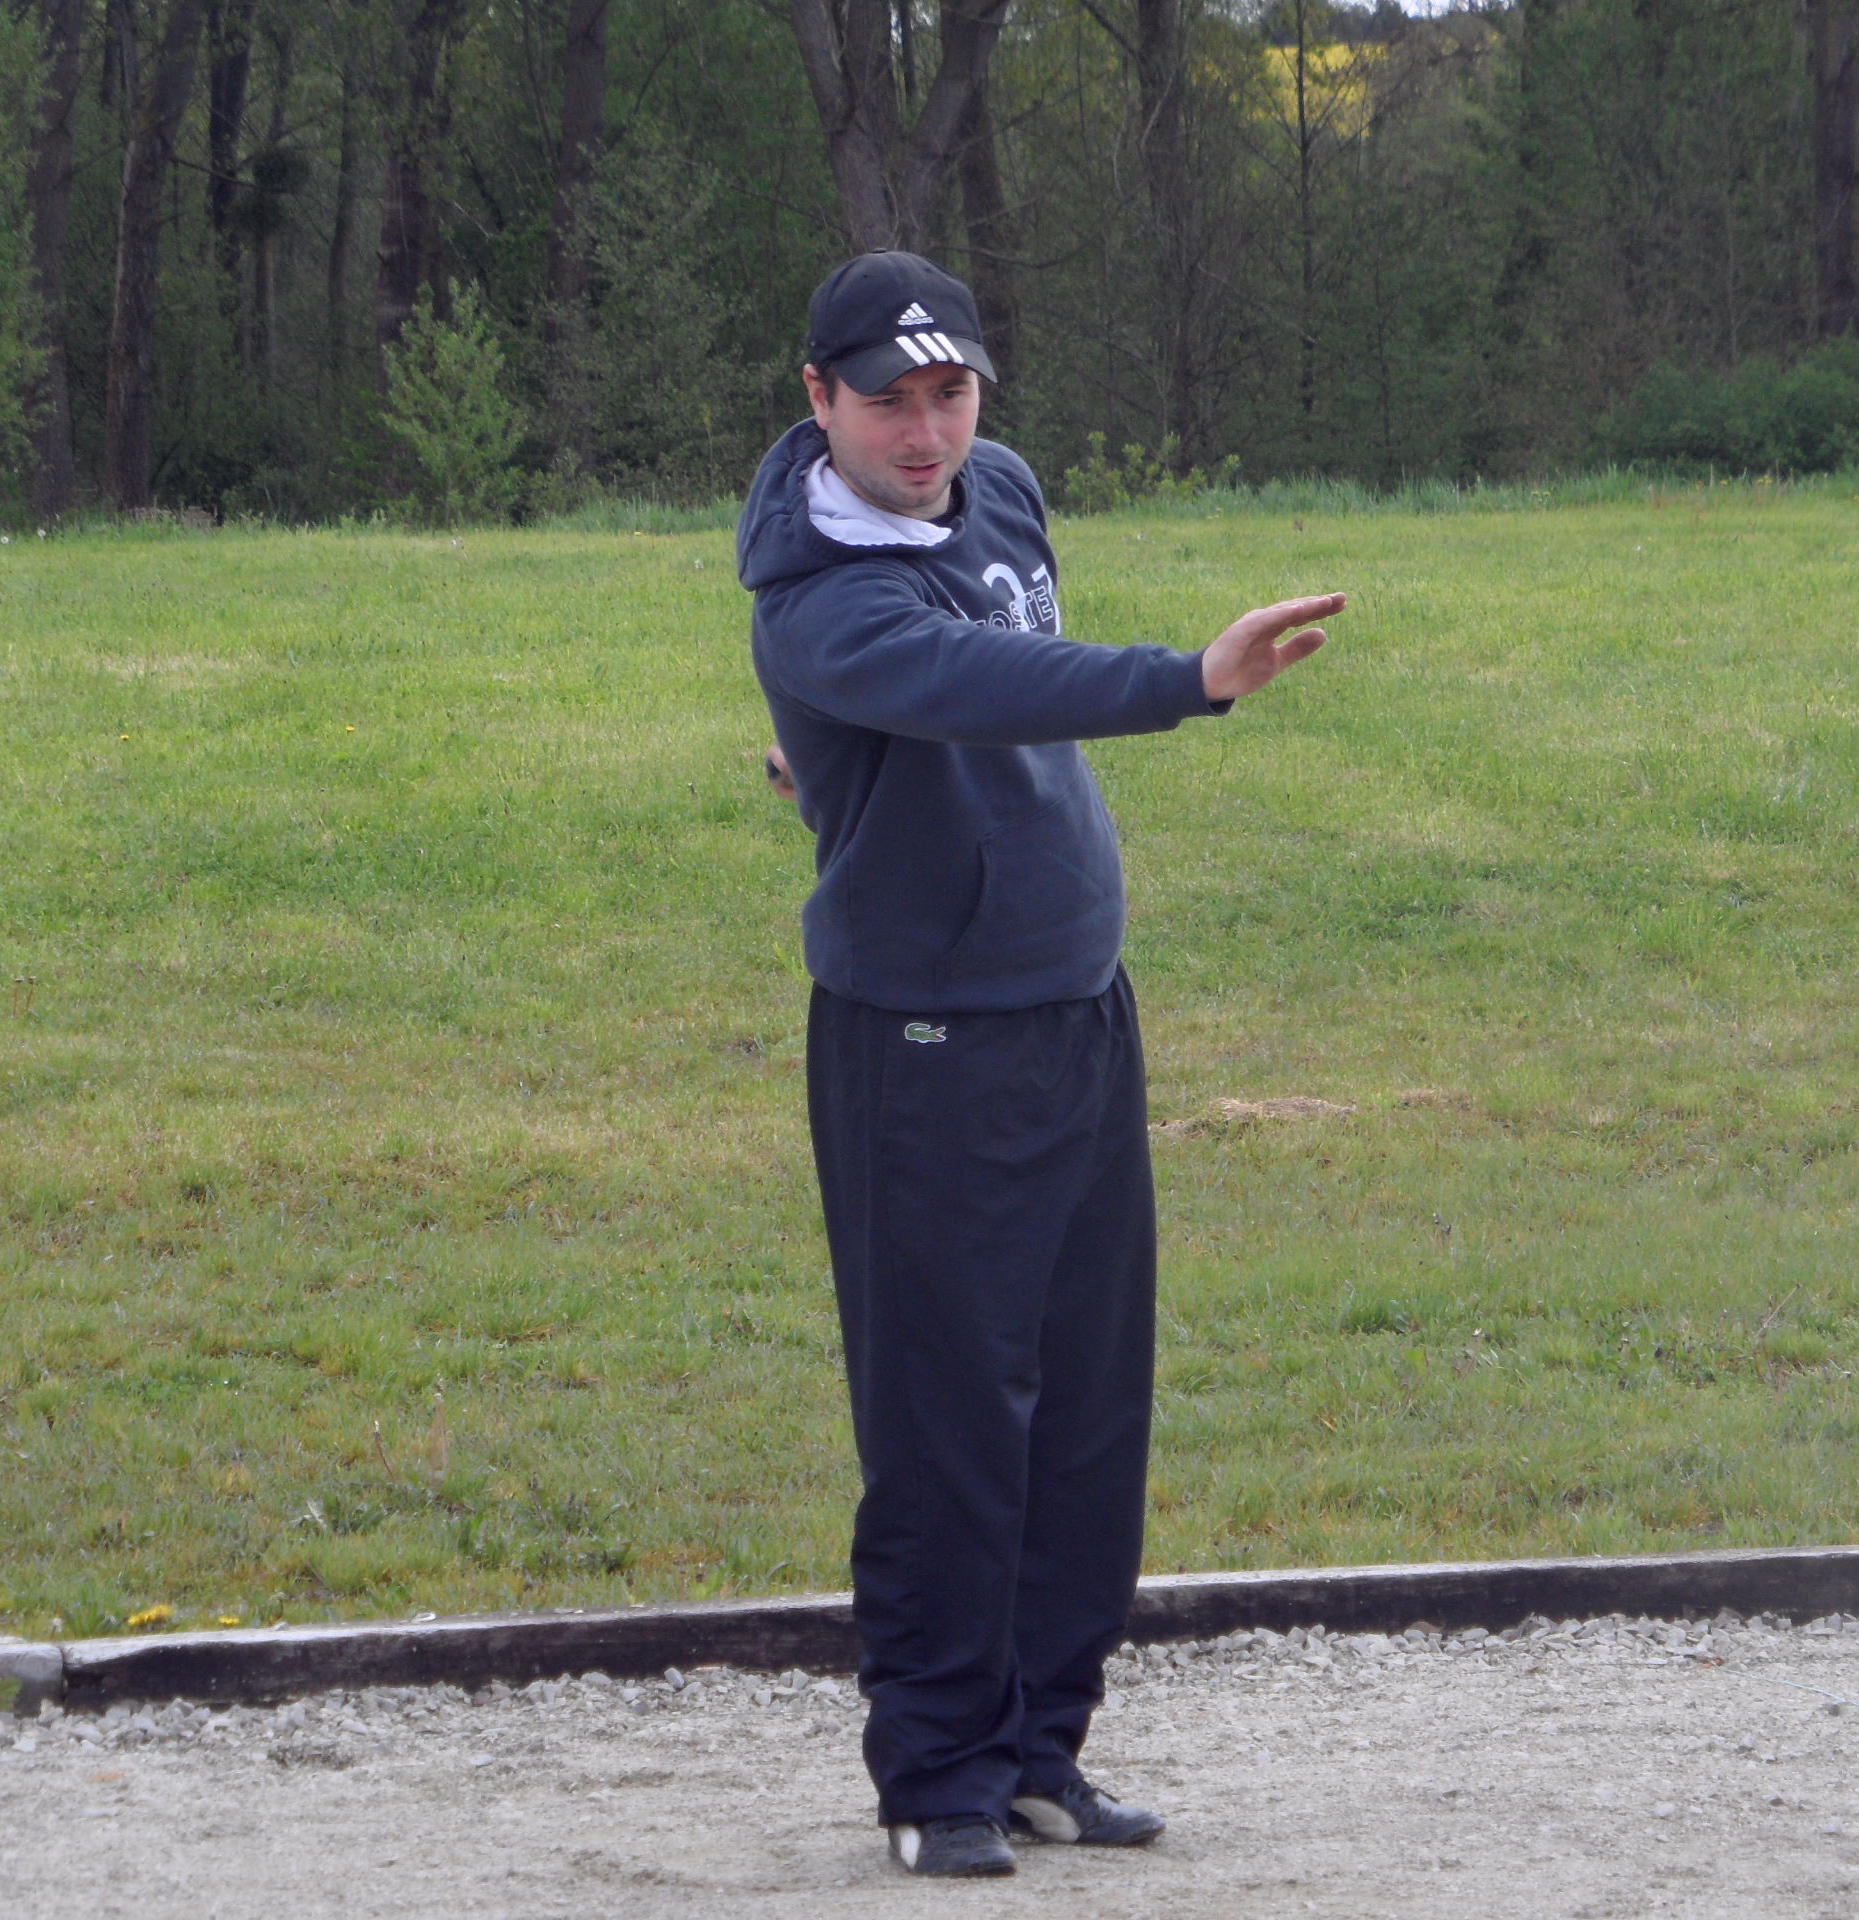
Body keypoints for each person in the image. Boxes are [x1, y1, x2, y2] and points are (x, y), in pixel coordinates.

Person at [737, 250, 1342, 1880]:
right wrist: (1187, 683)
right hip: (924, 1042)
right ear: (819, 398)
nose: (927, 432)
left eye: (950, 394)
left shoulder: (1000, 490)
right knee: (949, 1422)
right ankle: (937, 1777)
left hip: (1078, 1006)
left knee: (1084, 1413)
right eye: (890, 400)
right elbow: (980, 680)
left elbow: (970, 701)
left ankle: (1036, 1752)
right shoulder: (816, 596)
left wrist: (836, 776)